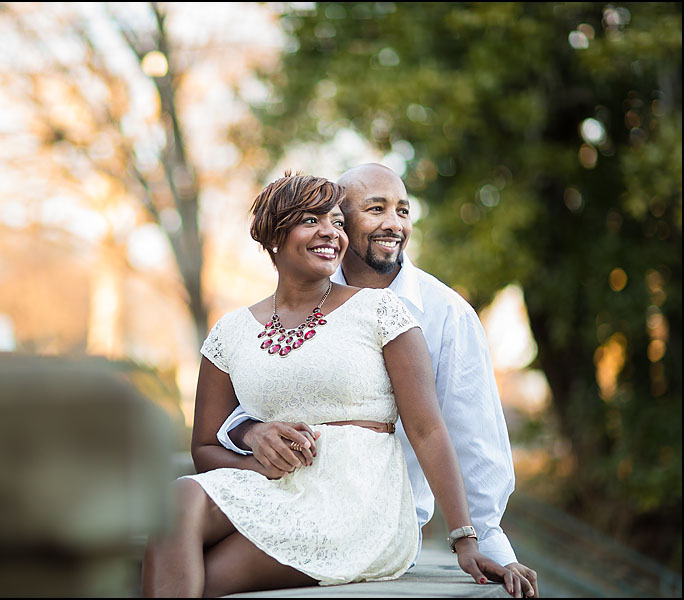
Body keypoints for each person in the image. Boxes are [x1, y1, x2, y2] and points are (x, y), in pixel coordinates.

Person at [142, 172, 528, 598]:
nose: (330, 232)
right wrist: (257, 453)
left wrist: (468, 539)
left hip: (357, 504)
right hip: (275, 490)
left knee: (208, 579)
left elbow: (430, 429)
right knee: (177, 500)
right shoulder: (230, 331)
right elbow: (206, 446)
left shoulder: (386, 311)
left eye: (337, 222)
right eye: (312, 219)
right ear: (274, 237)